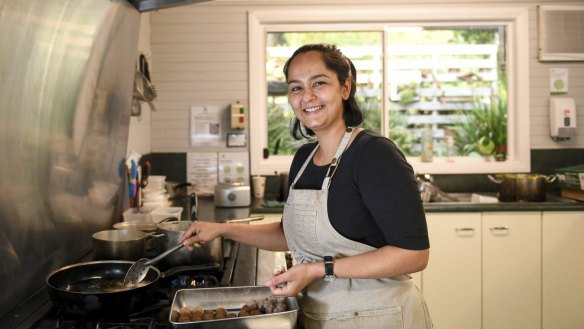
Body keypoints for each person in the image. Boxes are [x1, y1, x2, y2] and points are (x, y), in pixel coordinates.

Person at [180, 43, 432, 329]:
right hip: (323, 316)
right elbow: (294, 236)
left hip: (382, 316)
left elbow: (414, 254)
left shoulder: (374, 154)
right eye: (296, 88)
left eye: (319, 83)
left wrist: (318, 269)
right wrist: (223, 229)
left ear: (345, 88)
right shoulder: (303, 159)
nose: (307, 97)